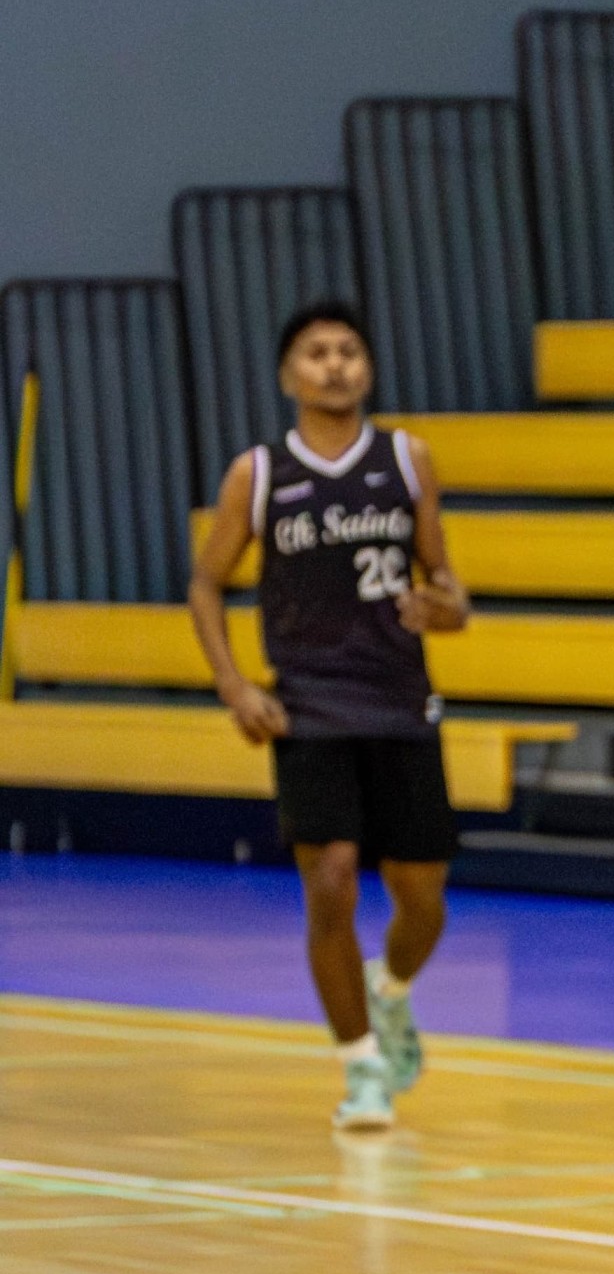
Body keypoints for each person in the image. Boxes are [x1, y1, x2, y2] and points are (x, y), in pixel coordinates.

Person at [188, 299, 470, 1131]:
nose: (336, 363)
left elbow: (449, 586)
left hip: (400, 703)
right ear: (289, 375)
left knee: (422, 899)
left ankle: (390, 991)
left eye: (349, 349)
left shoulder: (409, 460)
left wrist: (443, 607)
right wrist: (236, 684)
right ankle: (360, 1069)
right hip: (309, 707)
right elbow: (207, 581)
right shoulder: (261, 473)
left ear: (368, 368)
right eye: (317, 352)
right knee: (332, 879)